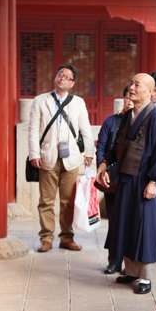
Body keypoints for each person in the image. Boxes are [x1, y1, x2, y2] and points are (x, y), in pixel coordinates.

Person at [96, 73, 156, 295]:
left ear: (150, 91)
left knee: (143, 227)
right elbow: (117, 145)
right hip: (126, 177)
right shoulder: (128, 116)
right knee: (125, 224)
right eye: (131, 83)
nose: (132, 87)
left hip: (145, 179)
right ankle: (130, 270)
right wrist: (104, 162)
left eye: (137, 84)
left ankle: (145, 277)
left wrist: (154, 182)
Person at [28, 64, 95, 252]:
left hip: (71, 158)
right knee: (46, 201)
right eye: (60, 74)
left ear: (72, 83)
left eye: (66, 77)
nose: (62, 78)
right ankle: (46, 238)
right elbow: (33, 130)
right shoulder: (40, 101)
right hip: (47, 157)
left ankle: (67, 237)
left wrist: (89, 152)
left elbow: (85, 129)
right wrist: (34, 154)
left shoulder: (78, 102)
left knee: (68, 201)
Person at [96, 85, 134, 274]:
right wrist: (103, 170)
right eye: (127, 96)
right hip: (113, 176)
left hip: (133, 178)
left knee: (131, 221)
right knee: (115, 219)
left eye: (133, 97)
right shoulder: (111, 121)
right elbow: (102, 147)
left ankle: (130, 263)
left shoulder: (142, 122)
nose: (130, 101)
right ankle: (114, 260)